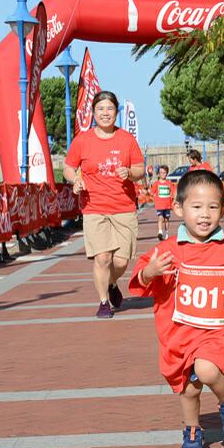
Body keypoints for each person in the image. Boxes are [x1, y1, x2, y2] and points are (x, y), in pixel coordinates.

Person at [129, 170, 224, 448]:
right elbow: (140, 280)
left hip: (218, 333)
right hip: (179, 336)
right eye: (196, 207)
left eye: (212, 207)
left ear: (223, 209)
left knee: (206, 369)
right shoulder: (168, 250)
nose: (204, 215)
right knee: (189, 391)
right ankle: (192, 431)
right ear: (179, 209)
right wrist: (150, 272)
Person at [64, 91, 145, 319]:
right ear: (93, 113)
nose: (105, 113)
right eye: (100, 109)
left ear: (116, 112)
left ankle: (111, 284)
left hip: (124, 208)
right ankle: (103, 302)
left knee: (120, 261)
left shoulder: (127, 139)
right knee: (103, 258)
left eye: (109, 109)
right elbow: (69, 168)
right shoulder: (82, 140)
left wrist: (130, 172)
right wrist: (75, 180)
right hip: (94, 208)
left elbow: (140, 170)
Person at [150, 165, 174, 240]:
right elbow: (151, 192)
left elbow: (173, 193)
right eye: (161, 172)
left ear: (167, 173)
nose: (163, 174)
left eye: (164, 173)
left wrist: (173, 198)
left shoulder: (169, 183)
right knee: (160, 218)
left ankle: (166, 233)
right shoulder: (156, 183)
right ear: (159, 173)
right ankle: (160, 232)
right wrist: (152, 194)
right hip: (159, 205)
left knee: (166, 219)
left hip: (167, 205)